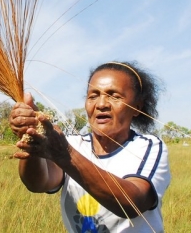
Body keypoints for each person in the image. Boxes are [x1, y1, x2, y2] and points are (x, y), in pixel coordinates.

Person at [10, 61, 171, 232]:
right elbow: (38, 183)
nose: (101, 104)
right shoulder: (74, 144)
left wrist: (66, 155)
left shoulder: (147, 147)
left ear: (137, 107)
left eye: (114, 96)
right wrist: (32, 135)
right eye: (93, 96)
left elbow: (132, 203)